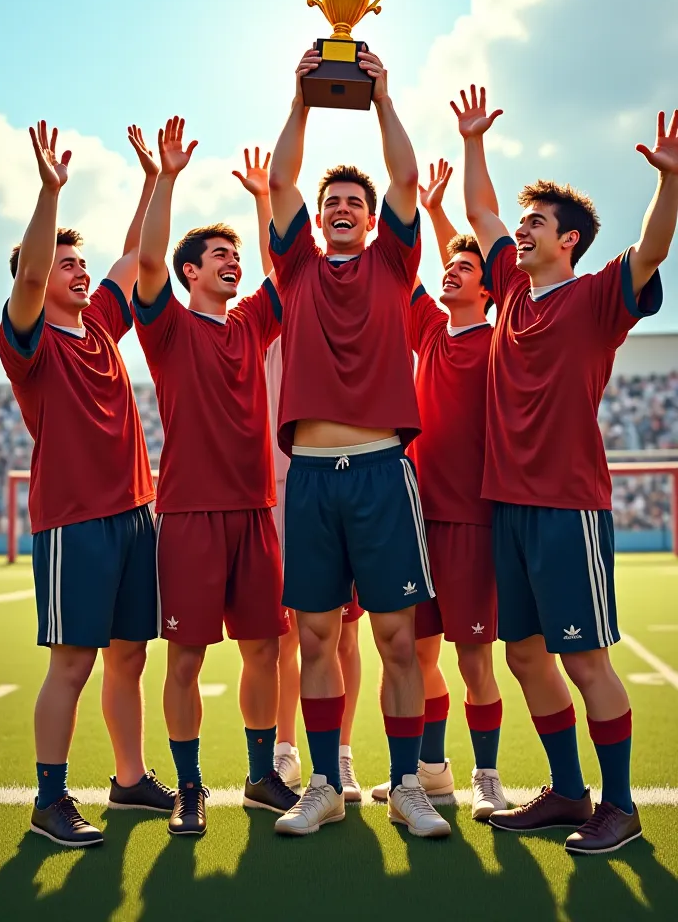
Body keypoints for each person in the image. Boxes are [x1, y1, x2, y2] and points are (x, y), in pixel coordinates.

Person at [454, 86, 675, 854]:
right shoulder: (511, 290)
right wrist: (474, 141)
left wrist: (669, 181)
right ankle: (569, 792)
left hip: (566, 505)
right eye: (522, 224)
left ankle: (620, 805)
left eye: (536, 224)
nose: (520, 232)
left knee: (584, 657)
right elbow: (483, 214)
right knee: (523, 655)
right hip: (505, 505)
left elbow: (650, 250)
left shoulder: (596, 299)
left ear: (570, 240)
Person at [268, 48, 449, 838]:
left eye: (353, 200)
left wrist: (382, 97)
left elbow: (406, 181)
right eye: (330, 199)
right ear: (319, 214)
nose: (341, 206)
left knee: (397, 636)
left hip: (381, 470)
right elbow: (279, 183)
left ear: (371, 219)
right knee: (314, 636)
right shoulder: (296, 264)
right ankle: (323, 783)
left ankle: (406, 784)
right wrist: (301, 101)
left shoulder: (392, 261)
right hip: (309, 475)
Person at [0, 122, 175, 848]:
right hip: (74, 522)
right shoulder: (27, 340)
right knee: (71, 663)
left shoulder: (100, 324)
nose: (78, 270)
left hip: (135, 516)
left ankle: (128, 780)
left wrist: (155, 179)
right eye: (66, 262)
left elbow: (134, 258)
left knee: (128, 655)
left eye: (79, 262)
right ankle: (48, 799)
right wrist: (48, 191)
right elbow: (33, 277)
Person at [133, 118, 297, 838]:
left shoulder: (251, 326)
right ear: (189, 272)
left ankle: (261, 777)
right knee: (187, 657)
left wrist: (264, 200)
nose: (233, 262)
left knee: (265, 648)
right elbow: (144, 262)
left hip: (257, 513)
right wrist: (165, 178)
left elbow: (286, 270)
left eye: (237, 254)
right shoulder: (166, 329)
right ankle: (191, 786)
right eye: (218, 255)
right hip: (191, 515)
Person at [370, 161, 507, 820]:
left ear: (489, 292)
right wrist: (429, 208)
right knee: (416, 654)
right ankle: (430, 771)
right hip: (415, 520)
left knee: (475, 658)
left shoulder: (502, 338)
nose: (450, 274)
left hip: (473, 523)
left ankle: (487, 775)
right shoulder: (428, 329)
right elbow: (410, 267)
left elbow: (484, 262)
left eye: (465, 271)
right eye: (448, 270)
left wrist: (455, 219)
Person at [233, 149, 363, 802]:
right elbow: (275, 264)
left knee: (347, 631)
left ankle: (339, 753)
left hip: (337, 481)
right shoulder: (275, 319)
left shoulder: (337, 312)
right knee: (288, 633)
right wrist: (264, 199)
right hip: (282, 492)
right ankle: (284, 747)